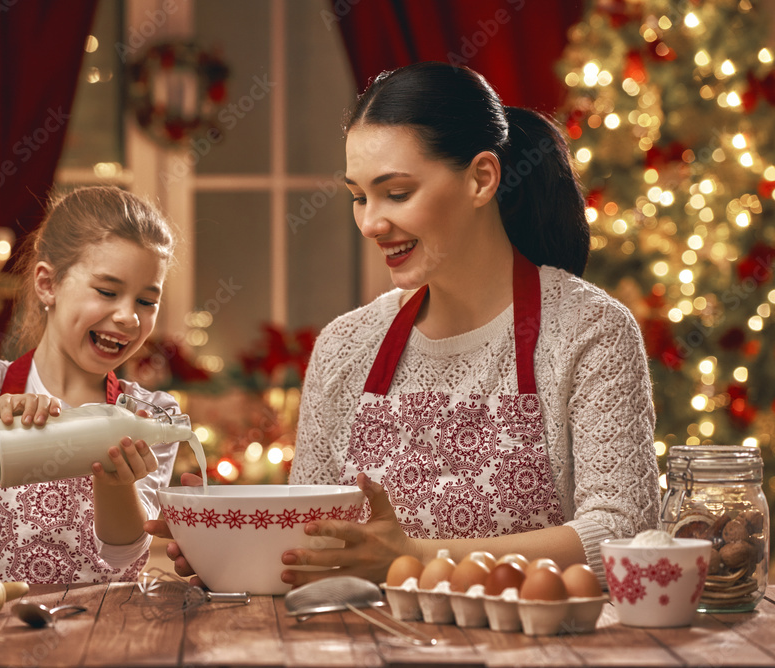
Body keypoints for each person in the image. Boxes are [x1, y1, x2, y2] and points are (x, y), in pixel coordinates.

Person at [147, 62, 660, 588]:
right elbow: (316, 540)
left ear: (482, 178)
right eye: (358, 196)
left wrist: (410, 556)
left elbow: (623, 532)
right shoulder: (346, 346)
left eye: (396, 193)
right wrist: (219, 543)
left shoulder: (589, 329)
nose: (371, 223)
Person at [0, 185, 179, 583]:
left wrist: (115, 481)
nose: (129, 317)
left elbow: (123, 551)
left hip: (104, 635)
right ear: (48, 284)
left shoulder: (152, 415)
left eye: (147, 301)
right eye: (108, 291)